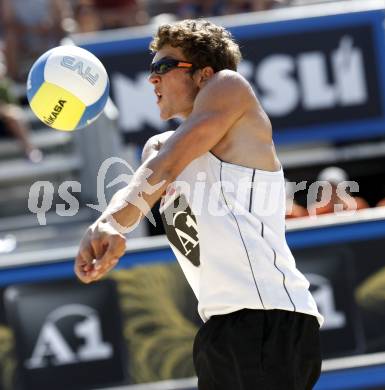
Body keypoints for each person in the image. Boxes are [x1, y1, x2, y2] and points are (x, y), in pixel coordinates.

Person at [75, 19, 323, 390]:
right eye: (151, 70)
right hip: (220, 328)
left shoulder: (229, 87)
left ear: (203, 74)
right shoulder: (157, 148)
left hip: (269, 315)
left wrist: (115, 223)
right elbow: (157, 167)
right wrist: (110, 225)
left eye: (164, 67)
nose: (152, 79)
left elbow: (170, 162)